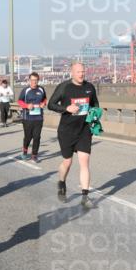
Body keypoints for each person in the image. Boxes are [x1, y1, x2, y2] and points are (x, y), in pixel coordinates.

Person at [47, 62, 99, 208]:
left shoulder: (89, 87)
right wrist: (66, 108)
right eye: (78, 72)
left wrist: (94, 122)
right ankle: (62, 182)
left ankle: (85, 196)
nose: (81, 74)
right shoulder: (64, 87)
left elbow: (95, 106)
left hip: (84, 130)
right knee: (67, 162)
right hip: (66, 131)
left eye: (83, 71)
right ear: (72, 72)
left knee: (84, 162)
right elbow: (51, 104)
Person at [17, 72, 47, 162]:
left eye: (36, 80)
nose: (34, 82)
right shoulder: (25, 90)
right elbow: (19, 101)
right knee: (28, 137)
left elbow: (45, 99)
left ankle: (34, 155)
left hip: (39, 118)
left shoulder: (41, 89)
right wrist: (26, 106)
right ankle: (25, 152)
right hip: (27, 118)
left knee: (37, 137)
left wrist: (43, 103)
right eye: (32, 80)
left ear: (38, 80)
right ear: (29, 80)